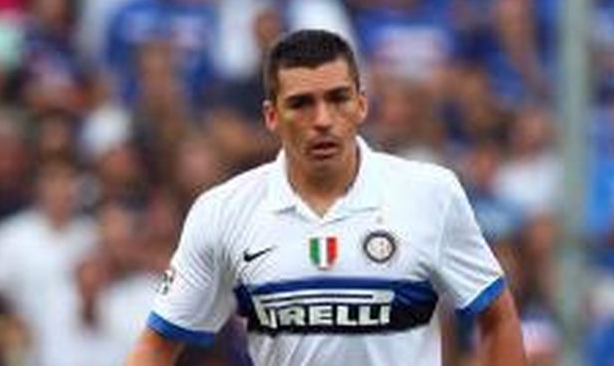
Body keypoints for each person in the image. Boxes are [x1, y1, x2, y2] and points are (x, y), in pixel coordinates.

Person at [125, 29, 526, 366]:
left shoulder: (431, 194)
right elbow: (156, 346)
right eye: (301, 104)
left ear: (362, 104)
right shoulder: (223, 211)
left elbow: (499, 317)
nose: (322, 120)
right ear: (271, 116)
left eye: (338, 99)